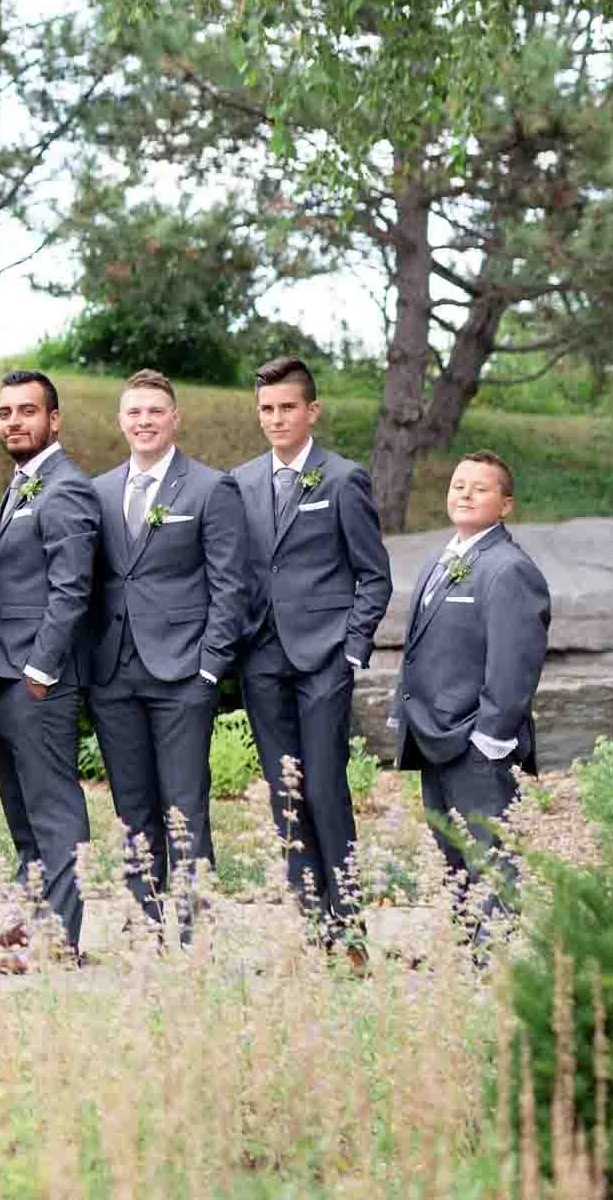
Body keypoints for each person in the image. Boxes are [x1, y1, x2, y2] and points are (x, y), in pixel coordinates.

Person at [230, 356, 391, 953]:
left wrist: (351, 650)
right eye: (267, 409)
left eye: (287, 408)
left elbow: (374, 576)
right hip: (261, 656)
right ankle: (312, 923)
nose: (276, 419)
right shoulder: (241, 481)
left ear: (312, 411)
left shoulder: (343, 479)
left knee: (324, 786)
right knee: (284, 791)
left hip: (323, 657)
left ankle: (348, 924)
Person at [87, 370, 253, 945]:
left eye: (155, 411)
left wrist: (211, 664)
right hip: (112, 672)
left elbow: (231, 584)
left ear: (174, 418)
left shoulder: (210, 488)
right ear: (121, 421)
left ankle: (190, 926)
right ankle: (144, 918)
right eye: (134, 412)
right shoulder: (100, 490)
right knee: (132, 804)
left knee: (184, 801)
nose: (144, 421)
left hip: (183, 671)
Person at [392, 450, 550, 937]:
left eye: (480, 488)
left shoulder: (508, 569)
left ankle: (496, 962)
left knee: (490, 853)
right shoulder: (442, 560)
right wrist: (404, 708)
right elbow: (419, 646)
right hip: (433, 734)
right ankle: (467, 954)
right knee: (453, 852)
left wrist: (491, 736)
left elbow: (515, 661)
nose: (465, 493)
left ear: (505, 505)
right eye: (459, 484)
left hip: (476, 741)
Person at [0, 369, 100, 971]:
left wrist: (40, 669)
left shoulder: (66, 488)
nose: (14, 422)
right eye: (5, 413)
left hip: (36, 677)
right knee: (21, 807)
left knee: (52, 806)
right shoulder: (23, 485)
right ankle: (35, 918)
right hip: (2, 672)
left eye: (27, 411)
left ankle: (61, 938)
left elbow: (71, 589)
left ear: (54, 420)